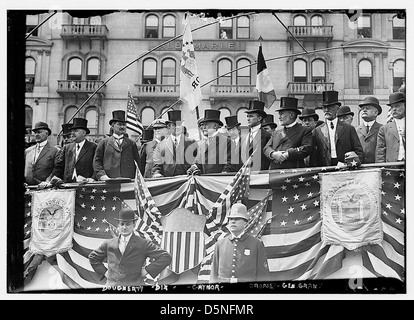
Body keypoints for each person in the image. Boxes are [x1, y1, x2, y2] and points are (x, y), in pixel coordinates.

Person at [88, 208, 172, 286]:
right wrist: (106, 273)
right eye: (122, 224)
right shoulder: (109, 243)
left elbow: (165, 257)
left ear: (134, 225)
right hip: (112, 287)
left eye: (128, 224)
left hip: (135, 287)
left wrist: (146, 271)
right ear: (118, 225)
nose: (124, 227)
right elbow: (93, 257)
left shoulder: (143, 243)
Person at [210, 203, 270, 284]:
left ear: (245, 222)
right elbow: (214, 274)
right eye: (231, 219)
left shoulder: (256, 244)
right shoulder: (220, 244)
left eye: (237, 219)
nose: (233, 222)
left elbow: (263, 275)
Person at [310, 91, 364, 167]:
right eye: (324, 107)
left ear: (337, 109)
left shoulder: (349, 129)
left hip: (345, 168)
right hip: (325, 168)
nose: (326, 110)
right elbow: (314, 156)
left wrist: (353, 165)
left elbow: (358, 151)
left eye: (330, 107)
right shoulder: (317, 131)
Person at [263, 97, 313, 170]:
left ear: (291, 115)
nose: (279, 117)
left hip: (293, 173)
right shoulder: (276, 132)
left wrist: (287, 154)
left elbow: (307, 148)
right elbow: (266, 148)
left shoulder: (304, 131)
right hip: (275, 173)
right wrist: (273, 154)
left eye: (281, 114)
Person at [93, 110, 140, 180]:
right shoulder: (104, 142)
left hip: (128, 181)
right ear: (113, 125)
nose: (122, 127)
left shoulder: (131, 143)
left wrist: (137, 178)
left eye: (124, 125)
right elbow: (97, 161)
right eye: (119, 124)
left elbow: (138, 163)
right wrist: (102, 175)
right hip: (108, 181)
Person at [152, 110, 197, 177]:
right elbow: (157, 165)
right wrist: (157, 173)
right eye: (174, 125)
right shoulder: (161, 145)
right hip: (169, 181)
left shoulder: (191, 142)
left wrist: (193, 168)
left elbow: (198, 160)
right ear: (168, 127)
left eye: (179, 124)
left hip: (187, 179)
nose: (177, 127)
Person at [187, 109, 233, 175]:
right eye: (203, 125)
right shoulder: (201, 144)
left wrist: (222, 176)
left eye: (206, 124)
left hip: (219, 182)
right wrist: (193, 168)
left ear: (215, 126)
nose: (203, 127)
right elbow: (198, 162)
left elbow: (229, 164)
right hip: (204, 182)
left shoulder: (227, 142)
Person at [52, 118, 97, 183]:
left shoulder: (93, 147)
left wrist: (93, 179)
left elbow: (97, 165)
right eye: (72, 131)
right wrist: (55, 177)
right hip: (68, 184)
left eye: (75, 131)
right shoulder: (67, 148)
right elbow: (59, 166)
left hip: (85, 185)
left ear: (84, 133)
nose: (72, 133)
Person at [24, 121, 60, 187]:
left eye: (39, 132)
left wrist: (48, 182)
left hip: (44, 188)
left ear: (46, 133)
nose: (36, 134)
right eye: (35, 133)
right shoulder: (28, 151)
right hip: (27, 187)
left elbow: (57, 169)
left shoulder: (55, 151)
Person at [241, 100, 271, 171]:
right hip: (247, 174)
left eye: (251, 116)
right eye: (247, 116)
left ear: (259, 118)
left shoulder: (267, 136)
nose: (248, 119)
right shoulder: (245, 137)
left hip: (261, 174)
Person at [376, 92, 406, 162]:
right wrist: (382, 168)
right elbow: (380, 151)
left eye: (397, 106)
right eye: (392, 107)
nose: (394, 109)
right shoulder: (384, 129)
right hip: (392, 166)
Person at [356, 96, 383, 164]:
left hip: (376, 167)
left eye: (367, 108)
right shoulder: (355, 130)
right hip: (359, 168)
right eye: (363, 108)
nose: (364, 110)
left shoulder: (382, 129)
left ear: (376, 113)